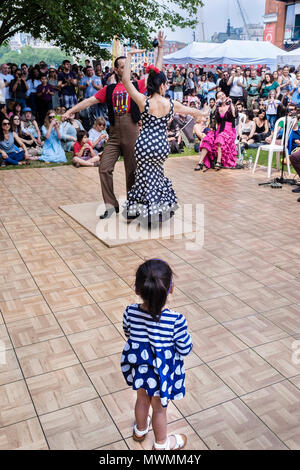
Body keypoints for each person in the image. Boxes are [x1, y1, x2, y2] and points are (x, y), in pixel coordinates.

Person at [62, 31, 165, 220]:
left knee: (132, 170)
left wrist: (160, 48)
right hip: (114, 132)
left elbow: (156, 72)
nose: (126, 69)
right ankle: (111, 206)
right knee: (104, 168)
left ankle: (133, 207)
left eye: (128, 66)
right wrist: (70, 111)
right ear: (116, 70)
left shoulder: (137, 85)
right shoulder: (108, 89)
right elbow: (89, 101)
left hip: (132, 129)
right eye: (122, 66)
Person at [122, 46, 205, 223]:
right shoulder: (171, 104)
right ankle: (154, 212)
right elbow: (193, 111)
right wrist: (204, 113)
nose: (167, 86)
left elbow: (126, 81)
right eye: (166, 83)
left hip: (144, 145)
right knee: (156, 176)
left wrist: (129, 56)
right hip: (161, 145)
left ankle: (141, 212)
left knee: (143, 177)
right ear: (161, 85)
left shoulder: (143, 101)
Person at [121, 259, 192, 450]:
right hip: (161, 375)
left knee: (141, 399)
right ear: (171, 289)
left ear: (137, 289)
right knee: (159, 409)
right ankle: (161, 445)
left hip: (141, 370)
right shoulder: (176, 320)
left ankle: (140, 430)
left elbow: (128, 333)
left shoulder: (130, 312)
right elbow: (185, 348)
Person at [194, 90, 237, 171]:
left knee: (220, 138)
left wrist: (231, 103)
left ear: (226, 95)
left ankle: (218, 162)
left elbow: (234, 115)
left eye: (223, 94)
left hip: (229, 131)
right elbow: (211, 114)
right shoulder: (217, 107)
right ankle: (200, 162)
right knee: (208, 138)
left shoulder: (231, 106)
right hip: (219, 130)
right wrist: (216, 104)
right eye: (219, 96)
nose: (222, 96)